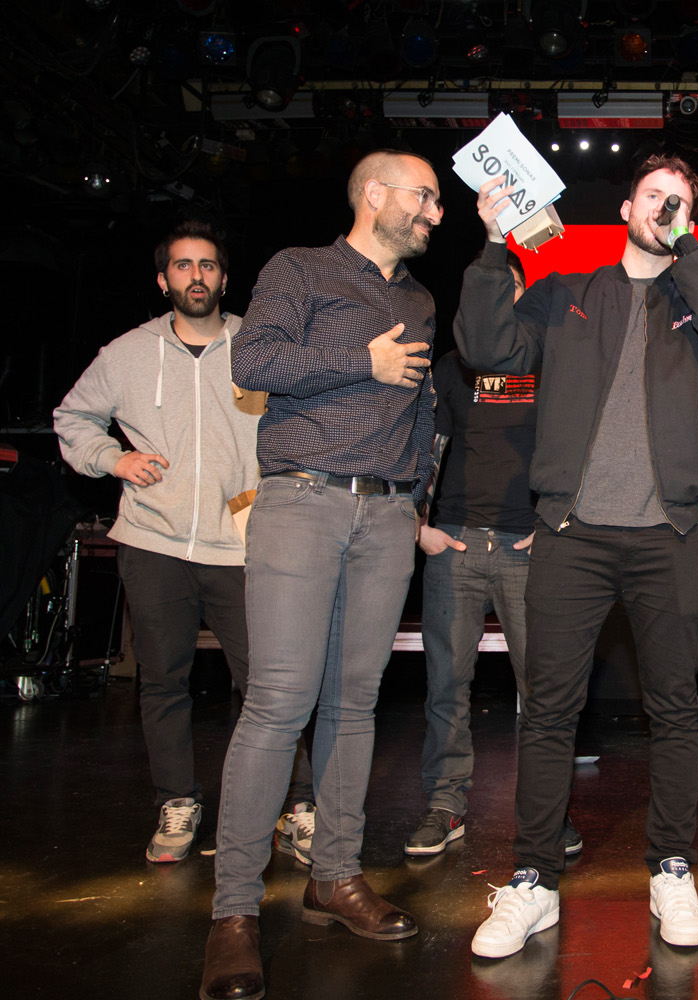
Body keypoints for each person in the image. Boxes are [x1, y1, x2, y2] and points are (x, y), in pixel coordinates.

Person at [453, 154, 698, 957]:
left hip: (667, 535)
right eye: (654, 196)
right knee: (548, 711)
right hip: (573, 536)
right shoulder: (566, 292)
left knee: (675, 709)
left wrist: (690, 246)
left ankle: (671, 867)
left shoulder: (697, 305)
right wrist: (493, 247)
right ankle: (532, 880)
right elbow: (486, 346)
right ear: (626, 206)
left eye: (680, 201)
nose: (664, 208)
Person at [200, 150, 443, 1000]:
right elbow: (251, 363)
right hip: (301, 501)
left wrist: (415, 500)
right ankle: (234, 913)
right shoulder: (299, 269)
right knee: (278, 702)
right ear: (374, 194)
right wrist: (358, 362)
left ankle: (333, 878)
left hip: (386, 516)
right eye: (424, 196)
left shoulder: (420, 299)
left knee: (355, 703)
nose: (435, 213)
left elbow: (420, 406)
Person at [54, 221, 315, 866]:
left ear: (224, 279)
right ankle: (177, 801)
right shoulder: (127, 353)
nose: (196, 276)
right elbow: (72, 416)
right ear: (163, 279)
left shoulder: (260, 344)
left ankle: (296, 804)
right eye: (182, 265)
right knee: (163, 683)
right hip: (154, 542)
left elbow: (305, 422)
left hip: (243, 545)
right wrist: (114, 459)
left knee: (268, 686)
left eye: (207, 265)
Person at [406, 256, 582, 860]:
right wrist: (418, 525)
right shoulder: (452, 368)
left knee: (544, 694)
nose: (500, 298)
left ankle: (547, 816)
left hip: (526, 550)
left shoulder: (550, 362)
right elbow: (427, 446)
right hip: (454, 545)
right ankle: (445, 805)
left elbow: (579, 448)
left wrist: (555, 522)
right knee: (445, 687)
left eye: (511, 287)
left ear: (525, 293)